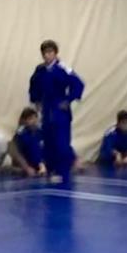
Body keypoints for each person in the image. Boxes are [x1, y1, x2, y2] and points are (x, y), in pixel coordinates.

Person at [28, 39, 85, 182]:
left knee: (62, 143)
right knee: (48, 141)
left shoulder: (63, 68)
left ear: (55, 53)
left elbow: (78, 84)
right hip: (46, 110)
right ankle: (51, 170)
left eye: (50, 52)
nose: (47, 55)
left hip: (60, 110)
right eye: (45, 53)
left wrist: (69, 99)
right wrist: (36, 100)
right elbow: (33, 85)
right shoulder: (40, 70)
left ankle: (62, 172)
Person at [10, 107, 48, 176]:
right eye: (30, 119)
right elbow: (16, 154)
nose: (34, 121)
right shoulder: (21, 134)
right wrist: (26, 167)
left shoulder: (40, 132)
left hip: (40, 166)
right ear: (24, 121)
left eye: (35, 118)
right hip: (25, 167)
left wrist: (43, 164)